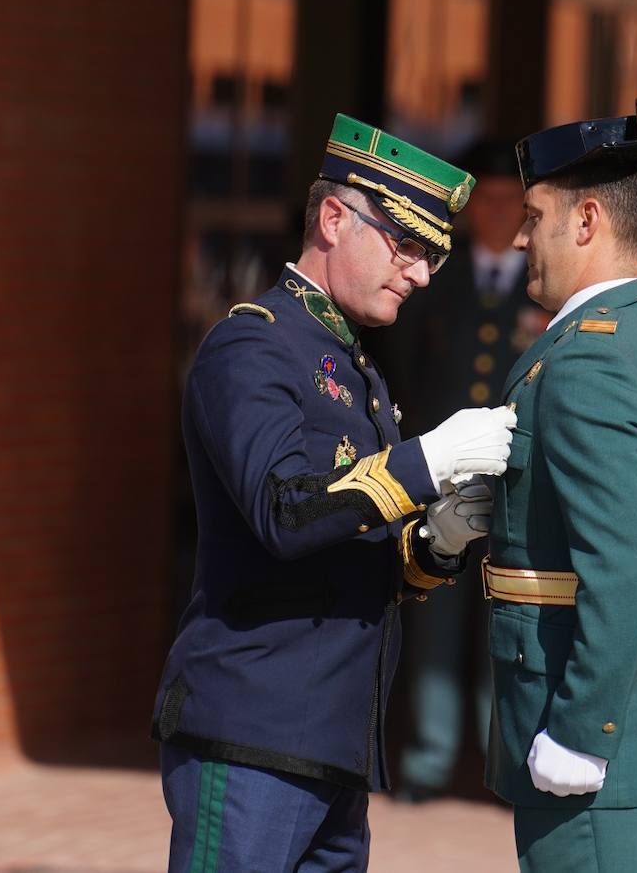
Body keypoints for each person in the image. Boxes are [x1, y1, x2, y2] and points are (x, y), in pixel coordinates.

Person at [150, 113, 518, 872]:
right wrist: (426, 458)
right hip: (254, 726)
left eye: (431, 256)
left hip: (332, 740)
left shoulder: (358, 370)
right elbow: (286, 513)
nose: (419, 274)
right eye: (406, 244)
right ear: (331, 218)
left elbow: (356, 549)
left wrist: (435, 542)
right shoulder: (254, 345)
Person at [484, 101, 637, 872]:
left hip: (600, 748)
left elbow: (623, 564)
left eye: (534, 216)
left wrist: (582, 737)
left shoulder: (591, 359)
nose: (520, 236)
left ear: (586, 220)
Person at [378, 138, 547, 803]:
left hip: (515, 478)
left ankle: (500, 763)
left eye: (514, 200)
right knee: (436, 623)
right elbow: (405, 373)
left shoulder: (546, 283)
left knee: (507, 621)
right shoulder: (433, 280)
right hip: (443, 478)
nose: (500, 212)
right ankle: (429, 756)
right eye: (489, 200)